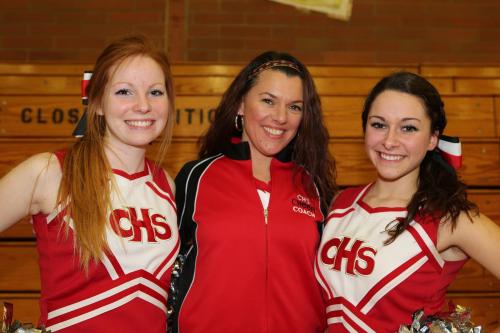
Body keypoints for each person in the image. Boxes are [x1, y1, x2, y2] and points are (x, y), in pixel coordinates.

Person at [0, 35, 179, 332]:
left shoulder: (166, 185)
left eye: (156, 92)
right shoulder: (50, 171)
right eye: (124, 92)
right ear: (96, 102)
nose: (143, 105)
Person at [315, 71, 500, 333]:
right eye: (379, 124)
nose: (390, 141)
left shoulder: (450, 218)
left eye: (408, 128)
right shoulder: (340, 203)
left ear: (433, 138)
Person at [171, 51, 337, 332]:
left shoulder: (314, 186)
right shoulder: (195, 178)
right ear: (240, 105)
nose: (281, 117)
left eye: (295, 107)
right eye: (268, 101)